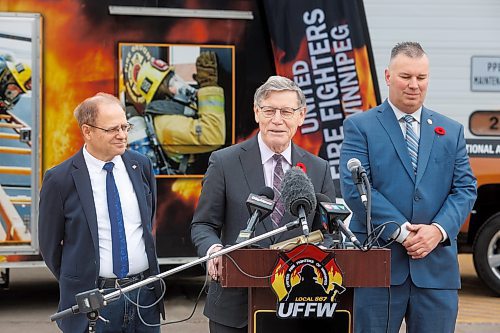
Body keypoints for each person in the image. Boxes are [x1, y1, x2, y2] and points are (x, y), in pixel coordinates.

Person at [339, 42, 477, 333]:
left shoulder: (450, 131)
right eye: (406, 77)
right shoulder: (360, 126)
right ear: (388, 77)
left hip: (436, 272)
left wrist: (437, 231)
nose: (414, 85)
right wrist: (402, 232)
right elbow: (356, 189)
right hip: (379, 269)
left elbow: (465, 189)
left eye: (421, 78)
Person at [191, 75, 336, 332]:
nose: (277, 119)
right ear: (257, 113)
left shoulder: (319, 168)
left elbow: (327, 233)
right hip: (235, 307)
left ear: (301, 116)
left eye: (286, 111)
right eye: (269, 110)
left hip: (298, 306)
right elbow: (203, 224)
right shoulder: (224, 162)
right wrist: (212, 250)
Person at [38, 93, 164, 332]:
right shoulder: (60, 180)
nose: (123, 135)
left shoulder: (141, 166)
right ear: (87, 131)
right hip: (94, 301)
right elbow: (50, 246)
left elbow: (148, 224)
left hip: (144, 298)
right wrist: (80, 280)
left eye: (125, 126)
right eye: (112, 129)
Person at [130, 51, 225, 174]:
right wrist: (208, 86)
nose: (178, 86)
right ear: (160, 94)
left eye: (176, 79)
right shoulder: (166, 125)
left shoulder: (172, 112)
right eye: (171, 83)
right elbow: (213, 134)